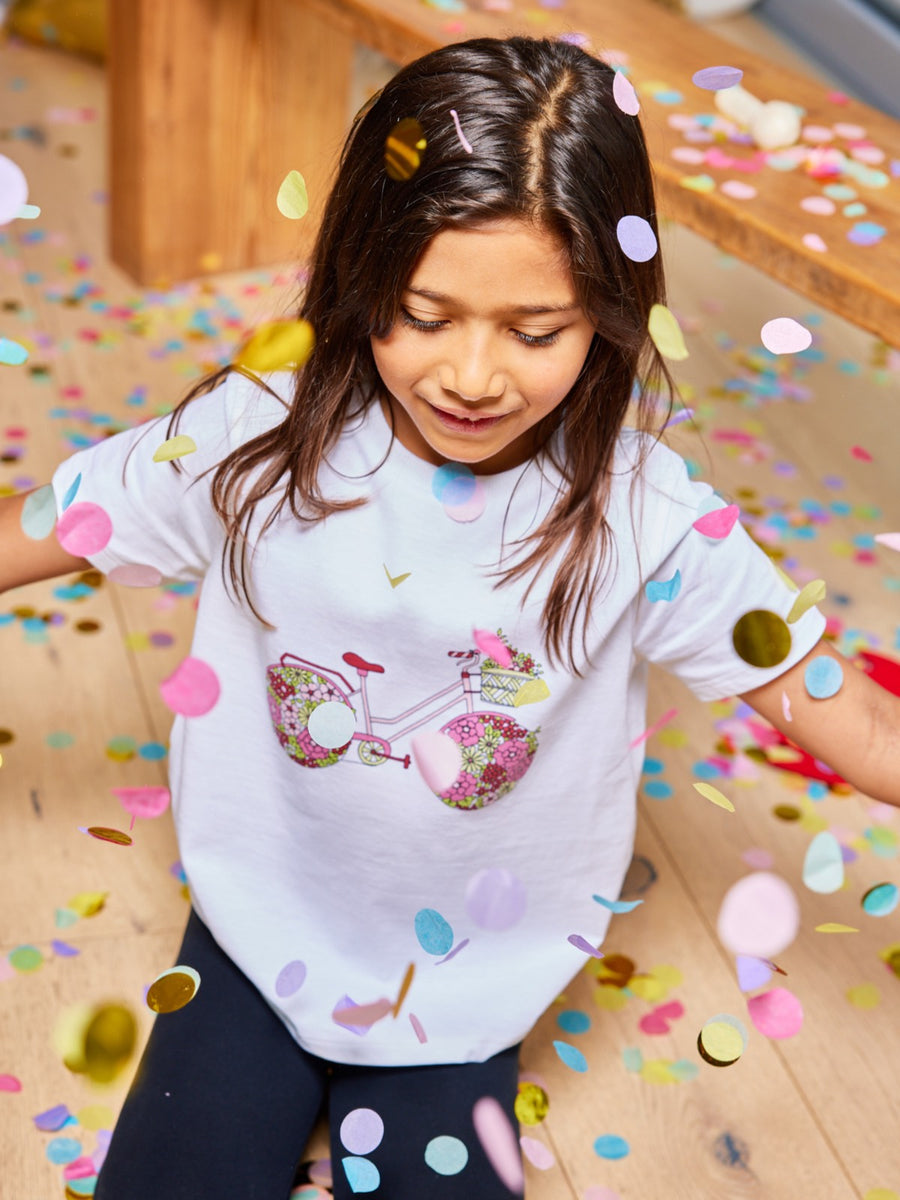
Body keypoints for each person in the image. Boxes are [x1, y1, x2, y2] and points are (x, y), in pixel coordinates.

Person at [2, 34, 898, 1200]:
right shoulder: (249, 440)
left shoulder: (651, 522)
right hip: (253, 931)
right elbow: (40, 531)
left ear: (612, 314)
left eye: (537, 333)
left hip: (474, 981)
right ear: (357, 275)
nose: (474, 376)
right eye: (424, 314)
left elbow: (846, 717)